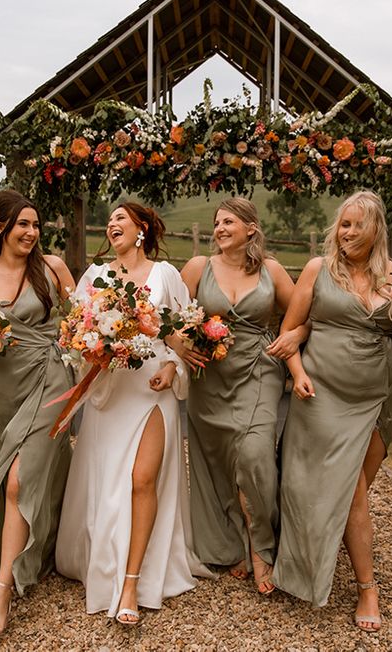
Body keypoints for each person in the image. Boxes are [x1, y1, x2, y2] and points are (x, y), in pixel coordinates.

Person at [272, 190, 392, 631]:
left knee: (343, 492)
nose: (349, 232)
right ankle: (366, 589)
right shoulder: (320, 271)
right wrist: (297, 373)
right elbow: (289, 331)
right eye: (343, 224)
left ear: (376, 228)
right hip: (321, 396)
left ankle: (315, 552)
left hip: (377, 398)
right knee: (352, 491)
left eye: (358, 224)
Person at [55, 202, 212, 625]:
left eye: (121, 218)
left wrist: (172, 366)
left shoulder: (166, 276)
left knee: (143, 479)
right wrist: (95, 348)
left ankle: (130, 582)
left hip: (151, 391)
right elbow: (74, 336)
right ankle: (103, 562)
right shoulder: (95, 278)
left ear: (141, 228)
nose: (112, 224)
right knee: (110, 482)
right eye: (109, 220)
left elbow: (184, 334)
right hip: (111, 389)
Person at [176, 197, 306, 595]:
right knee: (217, 461)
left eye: (228, 222)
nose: (220, 229)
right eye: (216, 223)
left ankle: (262, 546)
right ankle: (231, 542)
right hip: (209, 376)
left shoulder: (272, 270)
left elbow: (304, 311)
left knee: (253, 455)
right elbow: (171, 316)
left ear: (251, 228)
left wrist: (295, 334)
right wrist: (179, 344)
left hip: (258, 367)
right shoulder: (199, 267)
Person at [0, 190, 76, 642]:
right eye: (23, 225)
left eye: (35, 225)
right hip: (5, 389)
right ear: (0, 227)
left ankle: (2, 595)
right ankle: (30, 552)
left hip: (51, 378)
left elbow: (84, 319)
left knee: (20, 480)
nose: (31, 233)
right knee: (2, 473)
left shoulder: (52, 268)